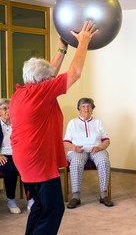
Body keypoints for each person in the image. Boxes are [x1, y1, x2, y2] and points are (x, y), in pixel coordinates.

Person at [10, 21, 98, 234]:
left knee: (40, 206)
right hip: (38, 163)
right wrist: (83, 42)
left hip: (24, 161)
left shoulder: (21, 93)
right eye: (48, 78)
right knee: (54, 210)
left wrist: (62, 50)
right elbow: (74, 73)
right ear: (42, 80)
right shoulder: (39, 95)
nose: (51, 80)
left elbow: (48, 75)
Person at [63, 97, 113, 209]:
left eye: (89, 106)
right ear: (79, 109)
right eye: (83, 106)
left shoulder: (98, 122)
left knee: (104, 160)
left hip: (96, 149)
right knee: (75, 162)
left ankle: (104, 195)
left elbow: (106, 140)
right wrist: (74, 148)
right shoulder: (73, 123)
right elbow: (65, 142)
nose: (86, 108)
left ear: (92, 109)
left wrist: (99, 147)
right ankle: (76, 197)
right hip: (78, 150)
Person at [0, 99, 34, 214]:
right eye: (5, 108)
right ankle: (10, 200)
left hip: (19, 153)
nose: (8, 111)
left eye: (10, 108)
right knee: (11, 168)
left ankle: (30, 199)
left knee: (27, 166)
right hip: (3, 155)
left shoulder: (18, 123)